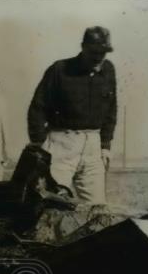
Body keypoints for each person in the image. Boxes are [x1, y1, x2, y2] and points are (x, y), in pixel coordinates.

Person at [26, 25, 117, 204]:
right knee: (51, 205)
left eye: (103, 53)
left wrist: (105, 144)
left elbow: (111, 109)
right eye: (94, 52)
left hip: (93, 145)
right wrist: (40, 144)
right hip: (61, 144)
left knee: (97, 209)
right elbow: (37, 108)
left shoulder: (108, 70)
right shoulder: (59, 70)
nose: (98, 57)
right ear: (83, 47)